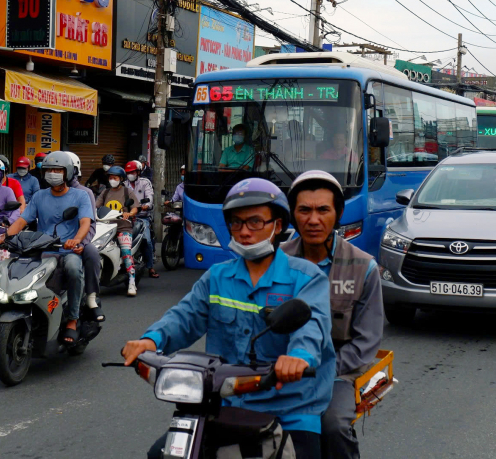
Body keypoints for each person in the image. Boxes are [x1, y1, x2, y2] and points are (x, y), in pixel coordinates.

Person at [122, 178, 336, 459]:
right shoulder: (218, 276)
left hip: (291, 407)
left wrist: (298, 357)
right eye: (236, 223)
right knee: (160, 455)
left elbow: (312, 326)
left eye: (256, 222)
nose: (244, 231)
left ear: (278, 226)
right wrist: (150, 340)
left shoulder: (306, 279)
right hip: (225, 401)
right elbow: (185, 316)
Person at [280, 171, 383, 459]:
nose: (313, 220)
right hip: (279, 366)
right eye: (305, 210)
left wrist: (322, 370)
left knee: (332, 425)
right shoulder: (275, 261)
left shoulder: (364, 268)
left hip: (338, 372)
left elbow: (367, 342)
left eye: (323, 210)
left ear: (337, 214)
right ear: (292, 215)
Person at [5, 151, 93, 344]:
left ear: (67, 172)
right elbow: (21, 221)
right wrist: (5, 237)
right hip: (42, 250)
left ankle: (72, 318)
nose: (52, 173)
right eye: (49, 170)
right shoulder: (38, 196)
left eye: (57, 170)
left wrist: (76, 240)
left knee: (73, 269)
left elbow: (85, 222)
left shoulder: (81, 196)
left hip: (66, 250)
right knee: (0, 269)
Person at [67, 152, 104, 321]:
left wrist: (82, 242)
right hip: (51, 244)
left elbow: (90, 223)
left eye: (61, 169)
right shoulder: (44, 193)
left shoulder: (85, 193)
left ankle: (91, 297)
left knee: (92, 254)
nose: (55, 173)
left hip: (78, 241)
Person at [96, 166, 140, 295]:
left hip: (123, 226)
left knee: (126, 252)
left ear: (121, 179)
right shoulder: (105, 192)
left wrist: (129, 214)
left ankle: (132, 282)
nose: (112, 180)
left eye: (114, 178)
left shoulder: (127, 192)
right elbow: (96, 205)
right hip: (106, 226)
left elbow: (135, 208)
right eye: (110, 178)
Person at [125, 160, 158, 279]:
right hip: (127, 217)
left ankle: (150, 267)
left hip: (142, 217)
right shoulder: (124, 185)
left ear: (138, 172)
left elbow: (149, 198)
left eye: (133, 172)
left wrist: (145, 205)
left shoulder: (145, 183)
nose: (130, 174)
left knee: (147, 240)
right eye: (128, 172)